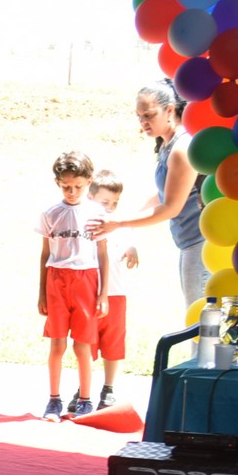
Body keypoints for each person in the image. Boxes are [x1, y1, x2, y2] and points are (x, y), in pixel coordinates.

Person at [86, 80, 206, 306]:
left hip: (200, 243)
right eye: (139, 116)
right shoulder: (166, 144)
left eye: (149, 115)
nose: (143, 123)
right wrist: (128, 218)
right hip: (189, 243)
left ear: (170, 109)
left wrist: (119, 222)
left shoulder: (181, 148)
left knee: (199, 322)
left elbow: (171, 207)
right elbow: (163, 194)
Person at [37, 152, 109, 420]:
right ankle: (53, 399)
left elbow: (103, 254)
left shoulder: (96, 213)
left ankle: (85, 399)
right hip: (57, 278)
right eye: (66, 186)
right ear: (57, 182)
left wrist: (103, 293)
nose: (72, 191)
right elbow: (45, 254)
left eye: (78, 186)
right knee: (57, 344)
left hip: (86, 279)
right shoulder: (50, 213)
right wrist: (42, 292)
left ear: (89, 181)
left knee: (83, 346)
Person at [88, 169, 139, 407]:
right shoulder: (86, 224)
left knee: (113, 341)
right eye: (105, 201)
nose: (110, 207)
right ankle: (83, 386)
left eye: (115, 202)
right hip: (88, 292)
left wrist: (132, 250)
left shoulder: (120, 224)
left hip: (116, 293)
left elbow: (129, 241)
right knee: (86, 341)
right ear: (91, 198)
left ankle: (108, 387)